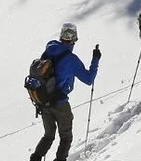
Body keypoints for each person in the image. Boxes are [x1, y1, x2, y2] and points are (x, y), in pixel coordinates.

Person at [31, 23, 99, 161]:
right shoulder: (71, 60)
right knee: (66, 137)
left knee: (48, 135)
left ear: (61, 36)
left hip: (44, 101)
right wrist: (95, 59)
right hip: (60, 104)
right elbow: (89, 79)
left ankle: (35, 158)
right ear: (74, 39)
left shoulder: (49, 49)